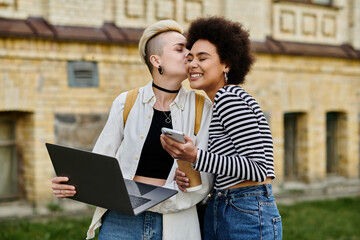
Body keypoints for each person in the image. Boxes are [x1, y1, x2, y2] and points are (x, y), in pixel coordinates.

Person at [51, 19, 214, 240]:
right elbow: (100, 161)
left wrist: (191, 176)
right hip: (121, 221)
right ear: (156, 60)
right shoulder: (125, 102)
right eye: (180, 49)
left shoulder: (202, 109)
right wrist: (71, 184)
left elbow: (205, 179)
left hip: (177, 223)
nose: (189, 54)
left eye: (189, 49)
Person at [160, 16, 283, 239]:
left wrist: (195, 156)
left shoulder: (229, 97)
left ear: (226, 63)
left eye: (202, 58)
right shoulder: (217, 102)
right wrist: (190, 172)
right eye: (189, 58)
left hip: (244, 210)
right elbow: (230, 165)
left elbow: (257, 168)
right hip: (228, 205)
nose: (192, 64)